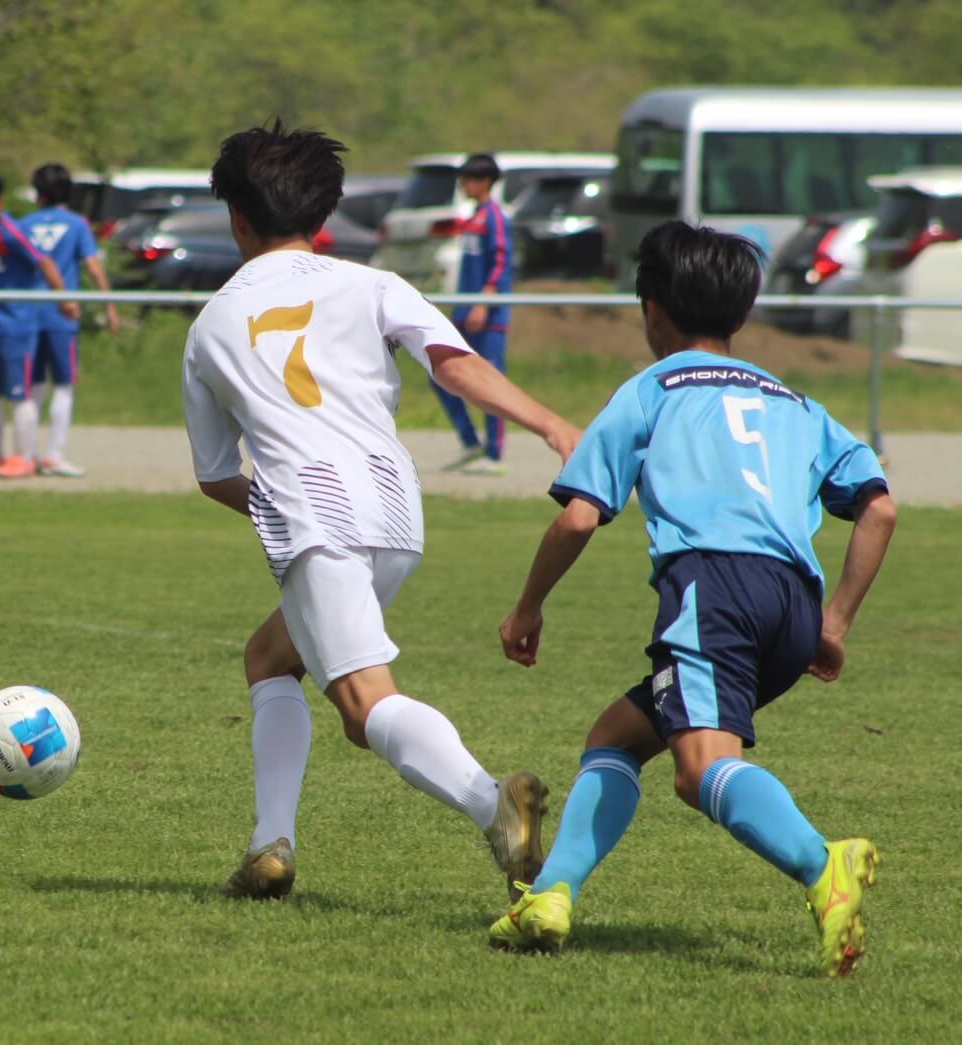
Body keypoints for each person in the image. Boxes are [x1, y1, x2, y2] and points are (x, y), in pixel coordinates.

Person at [181, 121, 581, 901]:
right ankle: (269, 844)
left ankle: (492, 805)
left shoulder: (211, 324)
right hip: (395, 505)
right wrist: (547, 423)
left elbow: (214, 474)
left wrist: (280, 505)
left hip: (311, 509)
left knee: (365, 706)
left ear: (236, 218)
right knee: (270, 658)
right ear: (321, 215)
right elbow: (451, 363)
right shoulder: (370, 283)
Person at [489, 221, 896, 978]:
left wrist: (527, 608)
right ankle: (547, 894)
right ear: (740, 316)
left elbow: (579, 513)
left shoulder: (652, 388)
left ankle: (821, 862)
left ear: (651, 311)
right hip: (791, 600)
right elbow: (878, 507)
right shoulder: (796, 403)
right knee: (614, 734)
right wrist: (833, 622)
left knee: (698, 767)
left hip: (713, 588)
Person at [0, 168, 70, 479]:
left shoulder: (13, 231)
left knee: (18, 392)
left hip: (17, 323)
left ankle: (24, 457)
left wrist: (63, 298)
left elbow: (45, 262)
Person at [19, 163, 119, 477]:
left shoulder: (23, 224)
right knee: (63, 384)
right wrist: (109, 307)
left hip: (28, 313)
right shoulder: (76, 224)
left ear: (38, 193)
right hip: (63, 313)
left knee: (32, 386)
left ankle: (28, 454)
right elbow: (93, 266)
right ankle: (54, 454)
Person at [433, 153, 512, 476]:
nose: (462, 184)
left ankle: (494, 454)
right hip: (464, 313)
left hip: (487, 316)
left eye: (467, 178)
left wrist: (484, 300)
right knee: (440, 374)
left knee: (491, 380)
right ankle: (469, 441)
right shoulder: (473, 217)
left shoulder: (495, 217)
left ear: (484, 181)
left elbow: (501, 259)